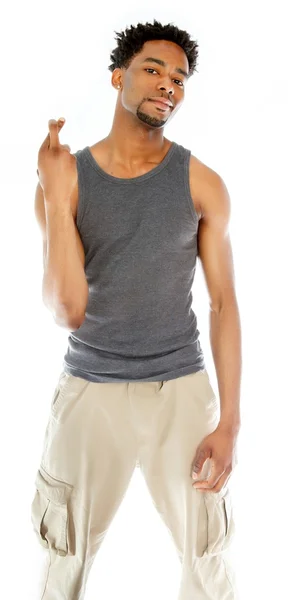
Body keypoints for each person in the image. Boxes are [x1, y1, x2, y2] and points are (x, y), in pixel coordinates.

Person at [31, 19, 241, 600]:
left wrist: (229, 422)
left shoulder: (202, 183)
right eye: (153, 69)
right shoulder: (65, 178)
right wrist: (55, 194)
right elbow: (66, 306)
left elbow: (223, 303)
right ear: (118, 76)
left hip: (181, 391)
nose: (168, 84)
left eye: (179, 77)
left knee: (207, 560)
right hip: (90, 392)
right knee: (63, 560)